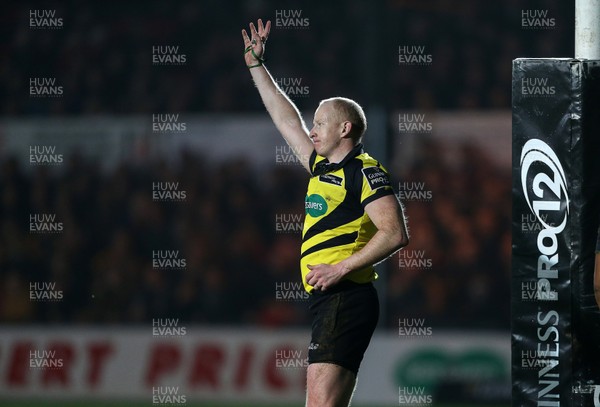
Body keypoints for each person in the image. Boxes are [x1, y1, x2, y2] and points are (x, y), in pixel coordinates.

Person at [242, 19, 409, 406]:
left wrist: (340, 268)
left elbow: (395, 233)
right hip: (330, 300)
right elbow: (286, 119)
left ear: (345, 128)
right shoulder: (322, 166)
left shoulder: (365, 172)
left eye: (320, 123)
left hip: (346, 297)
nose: (312, 131)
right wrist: (256, 66)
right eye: (313, 124)